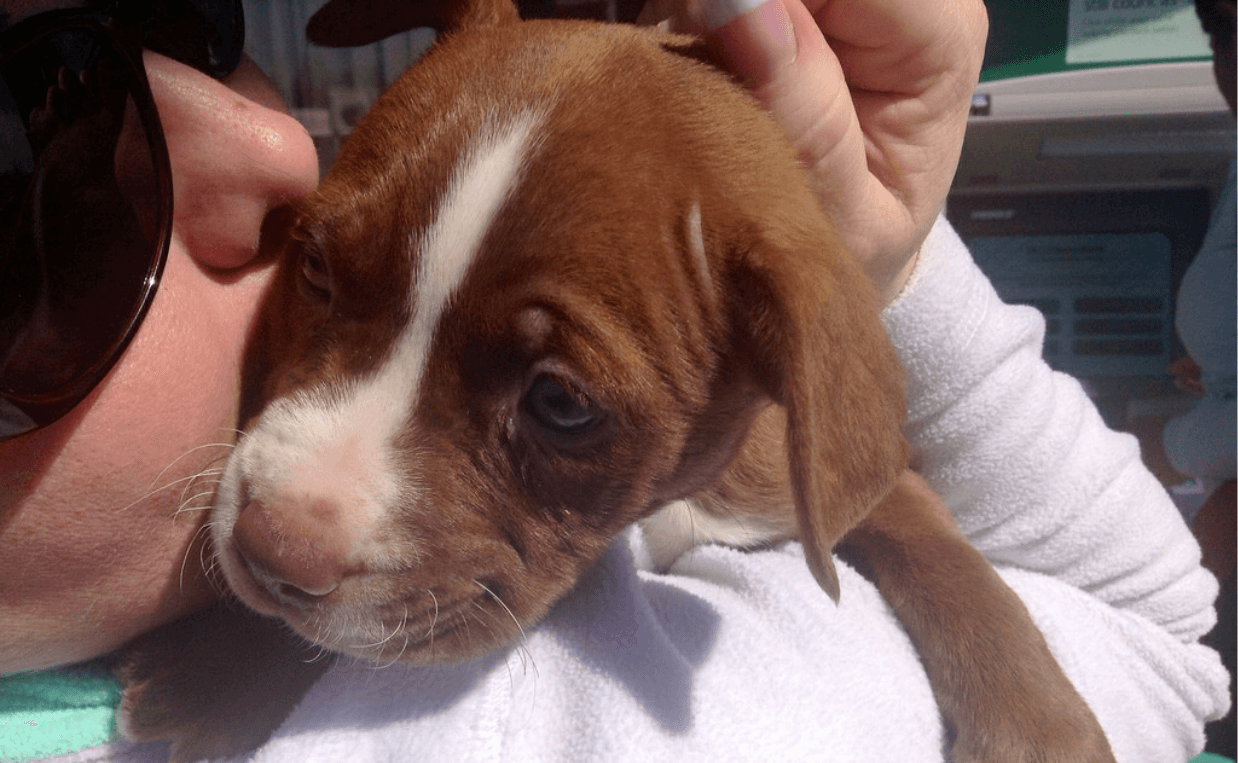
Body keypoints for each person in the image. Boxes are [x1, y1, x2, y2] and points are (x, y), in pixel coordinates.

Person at [0, 0, 1229, 761]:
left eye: (556, 403)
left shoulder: (743, 415)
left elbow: (879, 493)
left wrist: (993, 657)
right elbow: (1157, 627)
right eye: (327, 275)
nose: (293, 521)